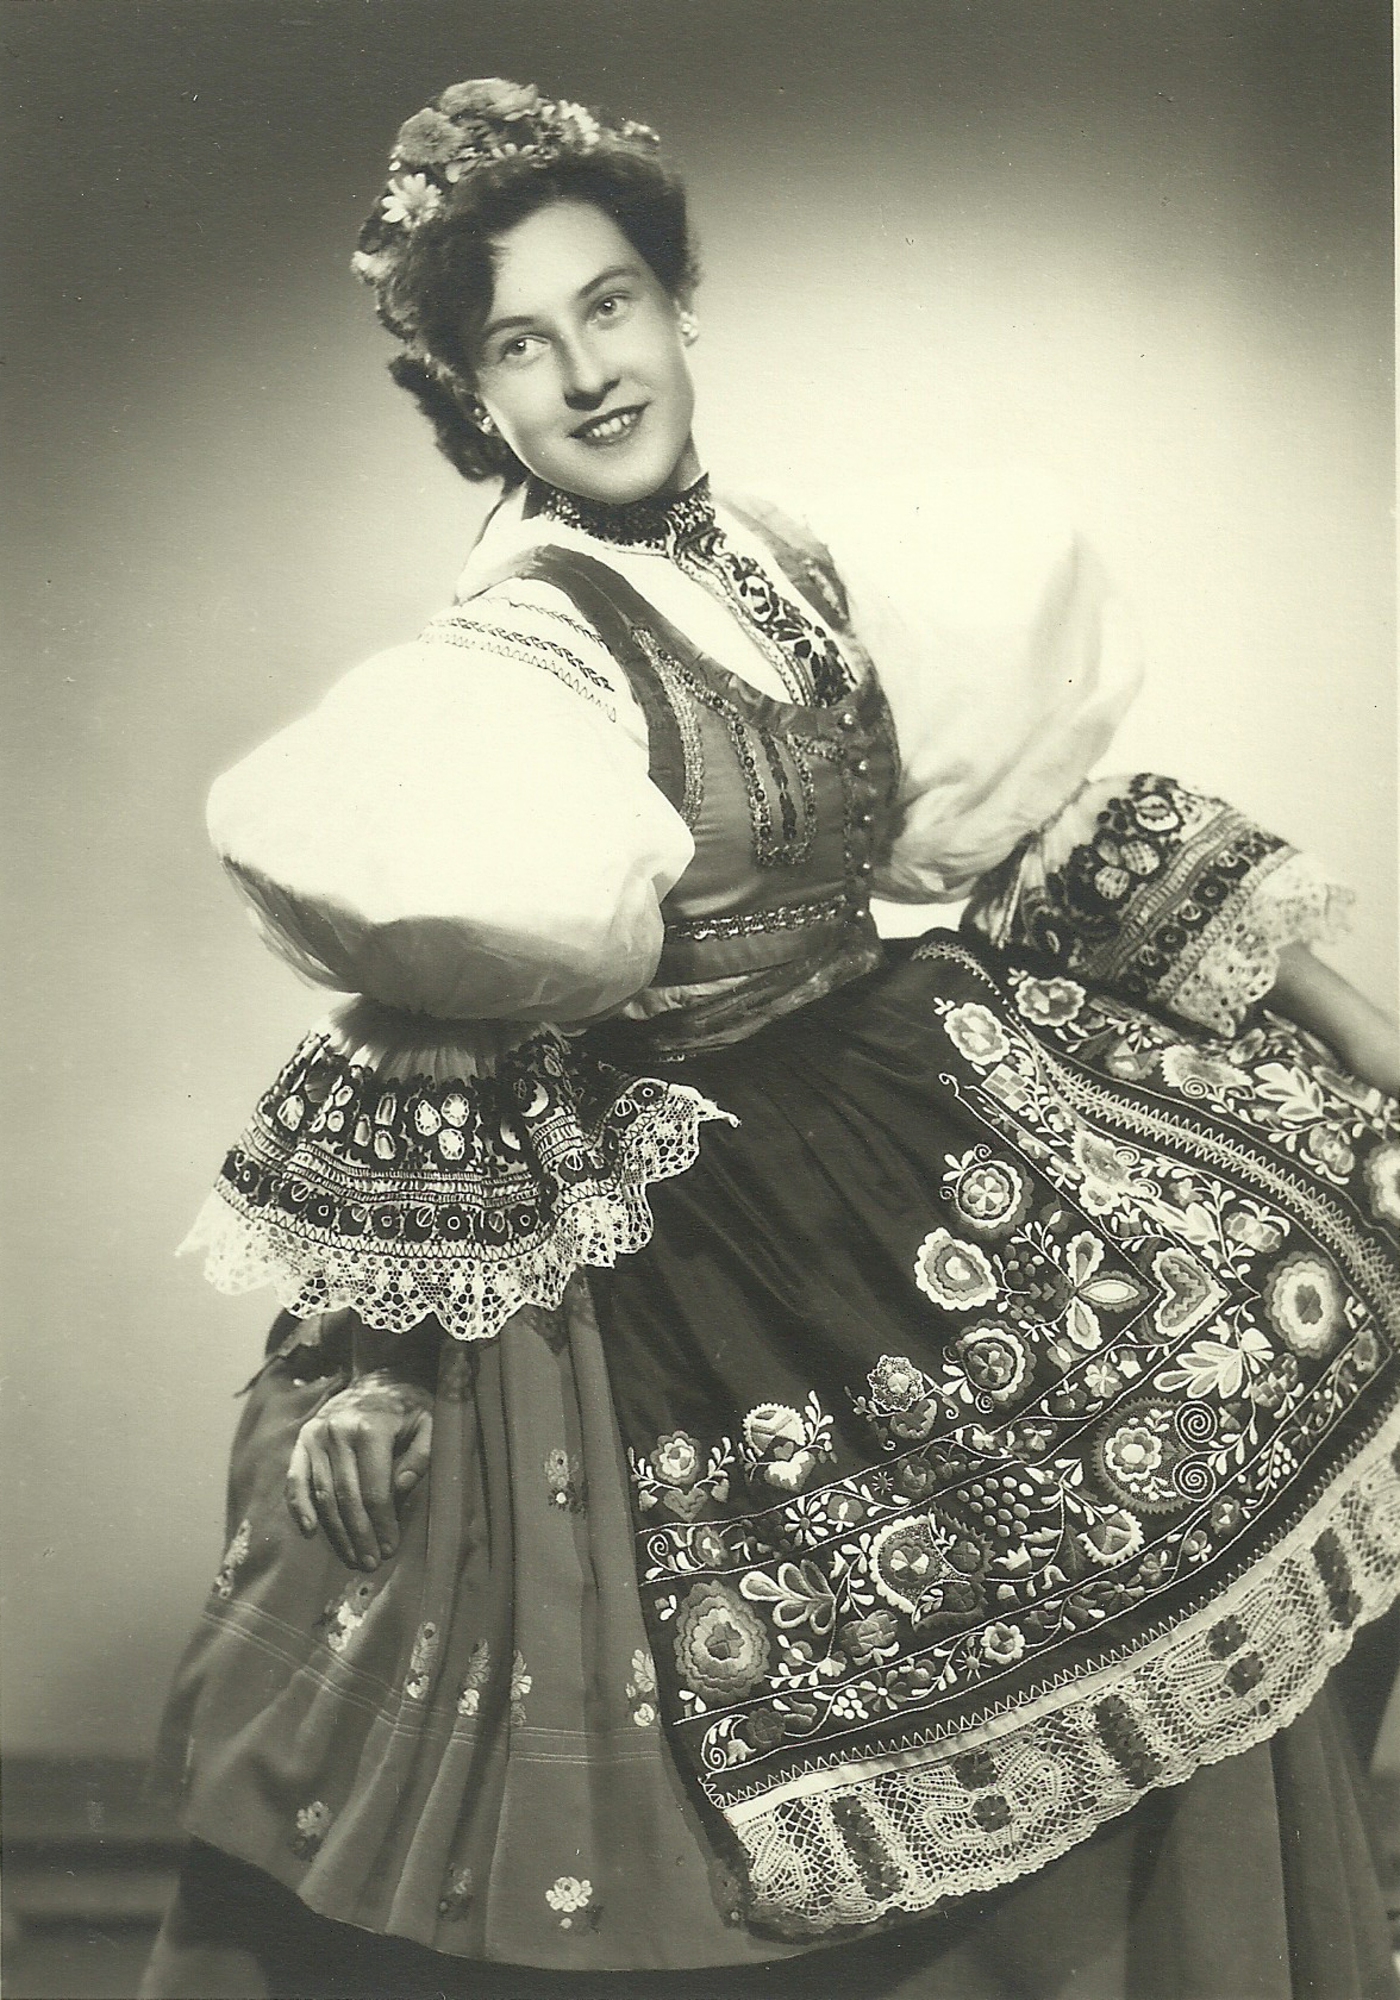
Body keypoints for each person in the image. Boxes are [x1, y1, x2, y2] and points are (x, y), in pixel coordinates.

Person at [142, 76, 1400, 2000]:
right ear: (472, 397)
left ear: (676, 304)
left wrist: (1377, 1048)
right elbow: (438, 1016)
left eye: (612, 304)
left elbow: (1025, 838)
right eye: (522, 345)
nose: (589, 371)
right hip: (712, 1207)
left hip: (897, 1073)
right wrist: (382, 1359)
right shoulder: (523, 651)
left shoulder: (790, 557)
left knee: (1324, 1262)